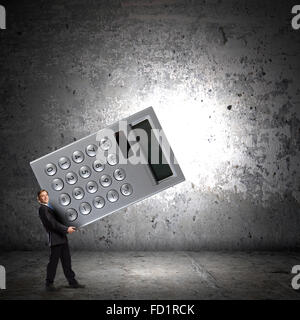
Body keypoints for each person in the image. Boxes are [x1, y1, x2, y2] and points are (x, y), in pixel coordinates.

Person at [37, 189, 85, 291]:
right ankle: (49, 284)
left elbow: (58, 220)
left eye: (46, 195)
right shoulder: (43, 209)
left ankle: (72, 282)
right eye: (42, 196)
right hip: (55, 240)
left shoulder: (50, 208)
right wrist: (66, 229)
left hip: (62, 238)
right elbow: (52, 223)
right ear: (39, 199)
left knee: (67, 261)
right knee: (53, 263)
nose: (45, 197)